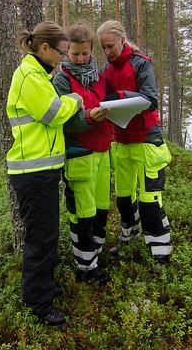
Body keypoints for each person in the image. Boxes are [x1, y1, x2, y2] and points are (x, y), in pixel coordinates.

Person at [6, 21, 82, 326]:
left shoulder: (38, 74)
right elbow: (53, 114)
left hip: (42, 170)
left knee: (46, 235)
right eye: (61, 52)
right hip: (33, 173)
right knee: (41, 238)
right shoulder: (29, 76)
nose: (64, 58)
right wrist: (74, 101)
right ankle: (39, 305)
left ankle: (41, 290)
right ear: (45, 48)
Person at [97, 19, 173, 266]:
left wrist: (120, 98)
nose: (107, 52)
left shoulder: (141, 64)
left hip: (147, 141)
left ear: (122, 39)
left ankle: (160, 253)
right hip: (120, 141)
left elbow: (151, 99)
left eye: (110, 46)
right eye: (103, 48)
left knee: (150, 201)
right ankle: (129, 236)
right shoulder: (106, 72)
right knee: (124, 199)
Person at [52, 22, 111, 284]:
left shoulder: (99, 75)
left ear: (91, 50)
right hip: (78, 155)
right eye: (74, 54)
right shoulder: (62, 80)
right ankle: (86, 269)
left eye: (85, 53)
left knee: (100, 210)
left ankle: (93, 257)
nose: (80, 58)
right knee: (83, 214)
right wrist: (89, 117)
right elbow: (65, 121)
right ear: (67, 52)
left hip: (102, 152)